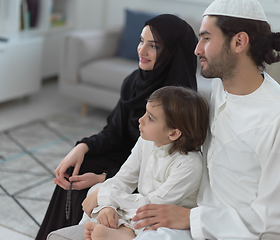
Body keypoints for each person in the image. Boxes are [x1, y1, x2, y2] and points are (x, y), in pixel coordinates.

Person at [129, 0, 280, 239]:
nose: (197, 49)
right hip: (200, 219)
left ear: (239, 42)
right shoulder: (220, 89)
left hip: (240, 233)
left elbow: (274, 218)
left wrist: (189, 218)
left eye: (206, 38)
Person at [36, 14, 198, 240]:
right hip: (132, 160)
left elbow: (154, 174)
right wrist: (82, 147)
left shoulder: (177, 104)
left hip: (149, 177)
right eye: (141, 41)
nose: (142, 50)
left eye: (153, 46)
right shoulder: (134, 81)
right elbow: (114, 132)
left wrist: (103, 181)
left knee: (87, 181)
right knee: (77, 169)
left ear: (172, 51)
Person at [82, 86, 209, 240]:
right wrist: (107, 205)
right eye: (145, 113)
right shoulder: (145, 141)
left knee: (154, 225)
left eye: (150, 118)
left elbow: (155, 204)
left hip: (161, 215)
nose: (140, 120)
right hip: (139, 206)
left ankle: (123, 233)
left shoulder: (190, 165)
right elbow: (123, 179)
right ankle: (117, 227)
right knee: (97, 189)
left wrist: (107, 196)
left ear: (174, 133)